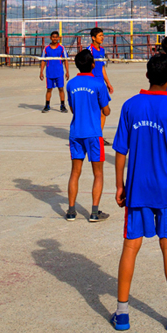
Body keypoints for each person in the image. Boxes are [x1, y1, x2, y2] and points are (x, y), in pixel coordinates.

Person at [111, 54, 167, 333]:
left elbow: (120, 150)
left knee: (130, 247)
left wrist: (120, 185)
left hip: (137, 190)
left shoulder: (130, 106)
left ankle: (122, 314)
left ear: (147, 75)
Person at [65, 49, 112, 222]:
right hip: (93, 134)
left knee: (75, 172)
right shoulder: (98, 84)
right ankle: (94, 212)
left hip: (76, 132)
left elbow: (72, 108)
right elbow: (106, 110)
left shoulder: (71, 84)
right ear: (93, 64)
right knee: (98, 173)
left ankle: (71, 210)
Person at [40, 30, 69, 113]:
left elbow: (65, 60)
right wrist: (41, 71)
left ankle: (62, 105)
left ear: (58, 38)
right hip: (49, 73)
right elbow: (43, 60)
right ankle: (47, 105)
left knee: (61, 89)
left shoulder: (62, 48)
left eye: (56, 37)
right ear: (50, 38)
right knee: (49, 89)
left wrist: (67, 71)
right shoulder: (46, 48)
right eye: (53, 37)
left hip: (59, 72)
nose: (55, 38)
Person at [88, 27, 114, 97]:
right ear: (93, 38)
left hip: (101, 80)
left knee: (104, 104)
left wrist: (108, 83)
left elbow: (102, 67)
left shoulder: (102, 50)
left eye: (102, 35)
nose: (102, 37)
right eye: (100, 36)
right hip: (92, 80)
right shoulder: (89, 50)